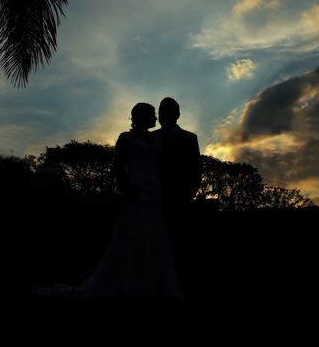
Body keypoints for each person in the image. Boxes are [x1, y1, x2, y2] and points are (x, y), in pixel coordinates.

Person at [32, 103, 182, 299]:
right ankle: (130, 283)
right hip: (135, 192)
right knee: (133, 237)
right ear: (141, 117)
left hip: (155, 193)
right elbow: (118, 167)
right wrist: (128, 188)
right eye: (152, 114)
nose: (155, 118)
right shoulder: (126, 138)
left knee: (155, 239)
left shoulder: (157, 138)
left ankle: (154, 284)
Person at [154, 97, 201, 296]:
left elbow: (196, 170)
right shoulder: (151, 137)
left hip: (181, 200)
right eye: (162, 111)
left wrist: (188, 195)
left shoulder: (190, 138)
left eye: (169, 111)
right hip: (154, 200)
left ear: (178, 114)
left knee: (181, 246)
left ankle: (181, 285)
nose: (165, 115)